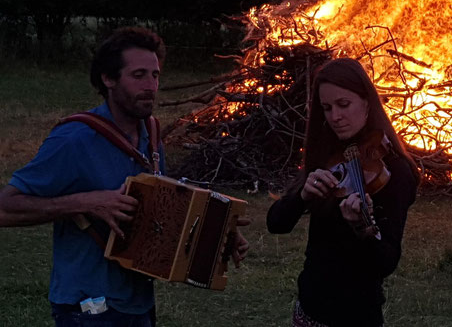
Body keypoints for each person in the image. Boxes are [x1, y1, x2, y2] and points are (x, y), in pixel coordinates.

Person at [0, 27, 249, 326]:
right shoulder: (75, 138)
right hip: (88, 305)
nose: (151, 86)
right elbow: (6, 208)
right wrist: (86, 202)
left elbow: (161, 210)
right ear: (108, 79)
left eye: (155, 75)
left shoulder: (151, 133)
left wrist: (218, 232)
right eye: (139, 75)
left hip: (137, 300)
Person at [266, 58, 420, 327]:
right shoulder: (328, 155)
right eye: (326, 108)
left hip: (355, 317)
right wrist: (302, 195)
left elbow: (385, 261)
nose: (335, 117)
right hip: (308, 313)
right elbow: (275, 223)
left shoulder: (395, 172)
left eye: (343, 105)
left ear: (367, 102)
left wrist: (360, 227)